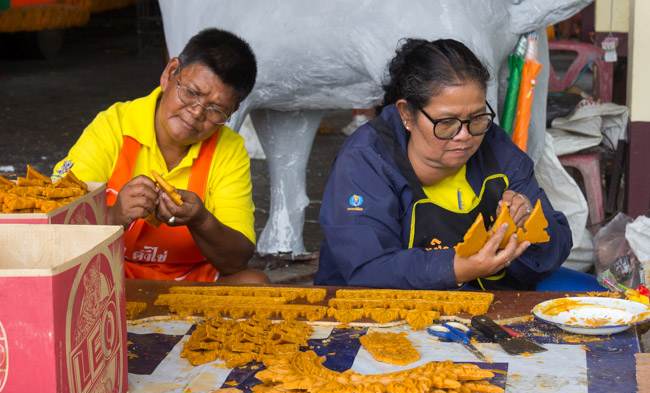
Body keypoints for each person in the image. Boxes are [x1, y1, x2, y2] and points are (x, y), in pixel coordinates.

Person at [315, 38, 572, 291]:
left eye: (477, 117)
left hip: (478, 306)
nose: (465, 135)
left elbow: (557, 242)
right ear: (407, 114)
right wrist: (455, 269)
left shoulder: (495, 148)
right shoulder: (366, 160)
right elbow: (368, 269)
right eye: (446, 122)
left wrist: (528, 224)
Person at [54, 28, 268, 284]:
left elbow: (235, 260)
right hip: (110, 279)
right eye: (191, 93)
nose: (196, 113)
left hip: (193, 284)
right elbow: (55, 226)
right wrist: (115, 216)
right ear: (170, 73)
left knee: (252, 283)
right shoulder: (114, 126)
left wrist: (201, 220)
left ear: (232, 112)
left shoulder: (229, 148)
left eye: (216, 110)